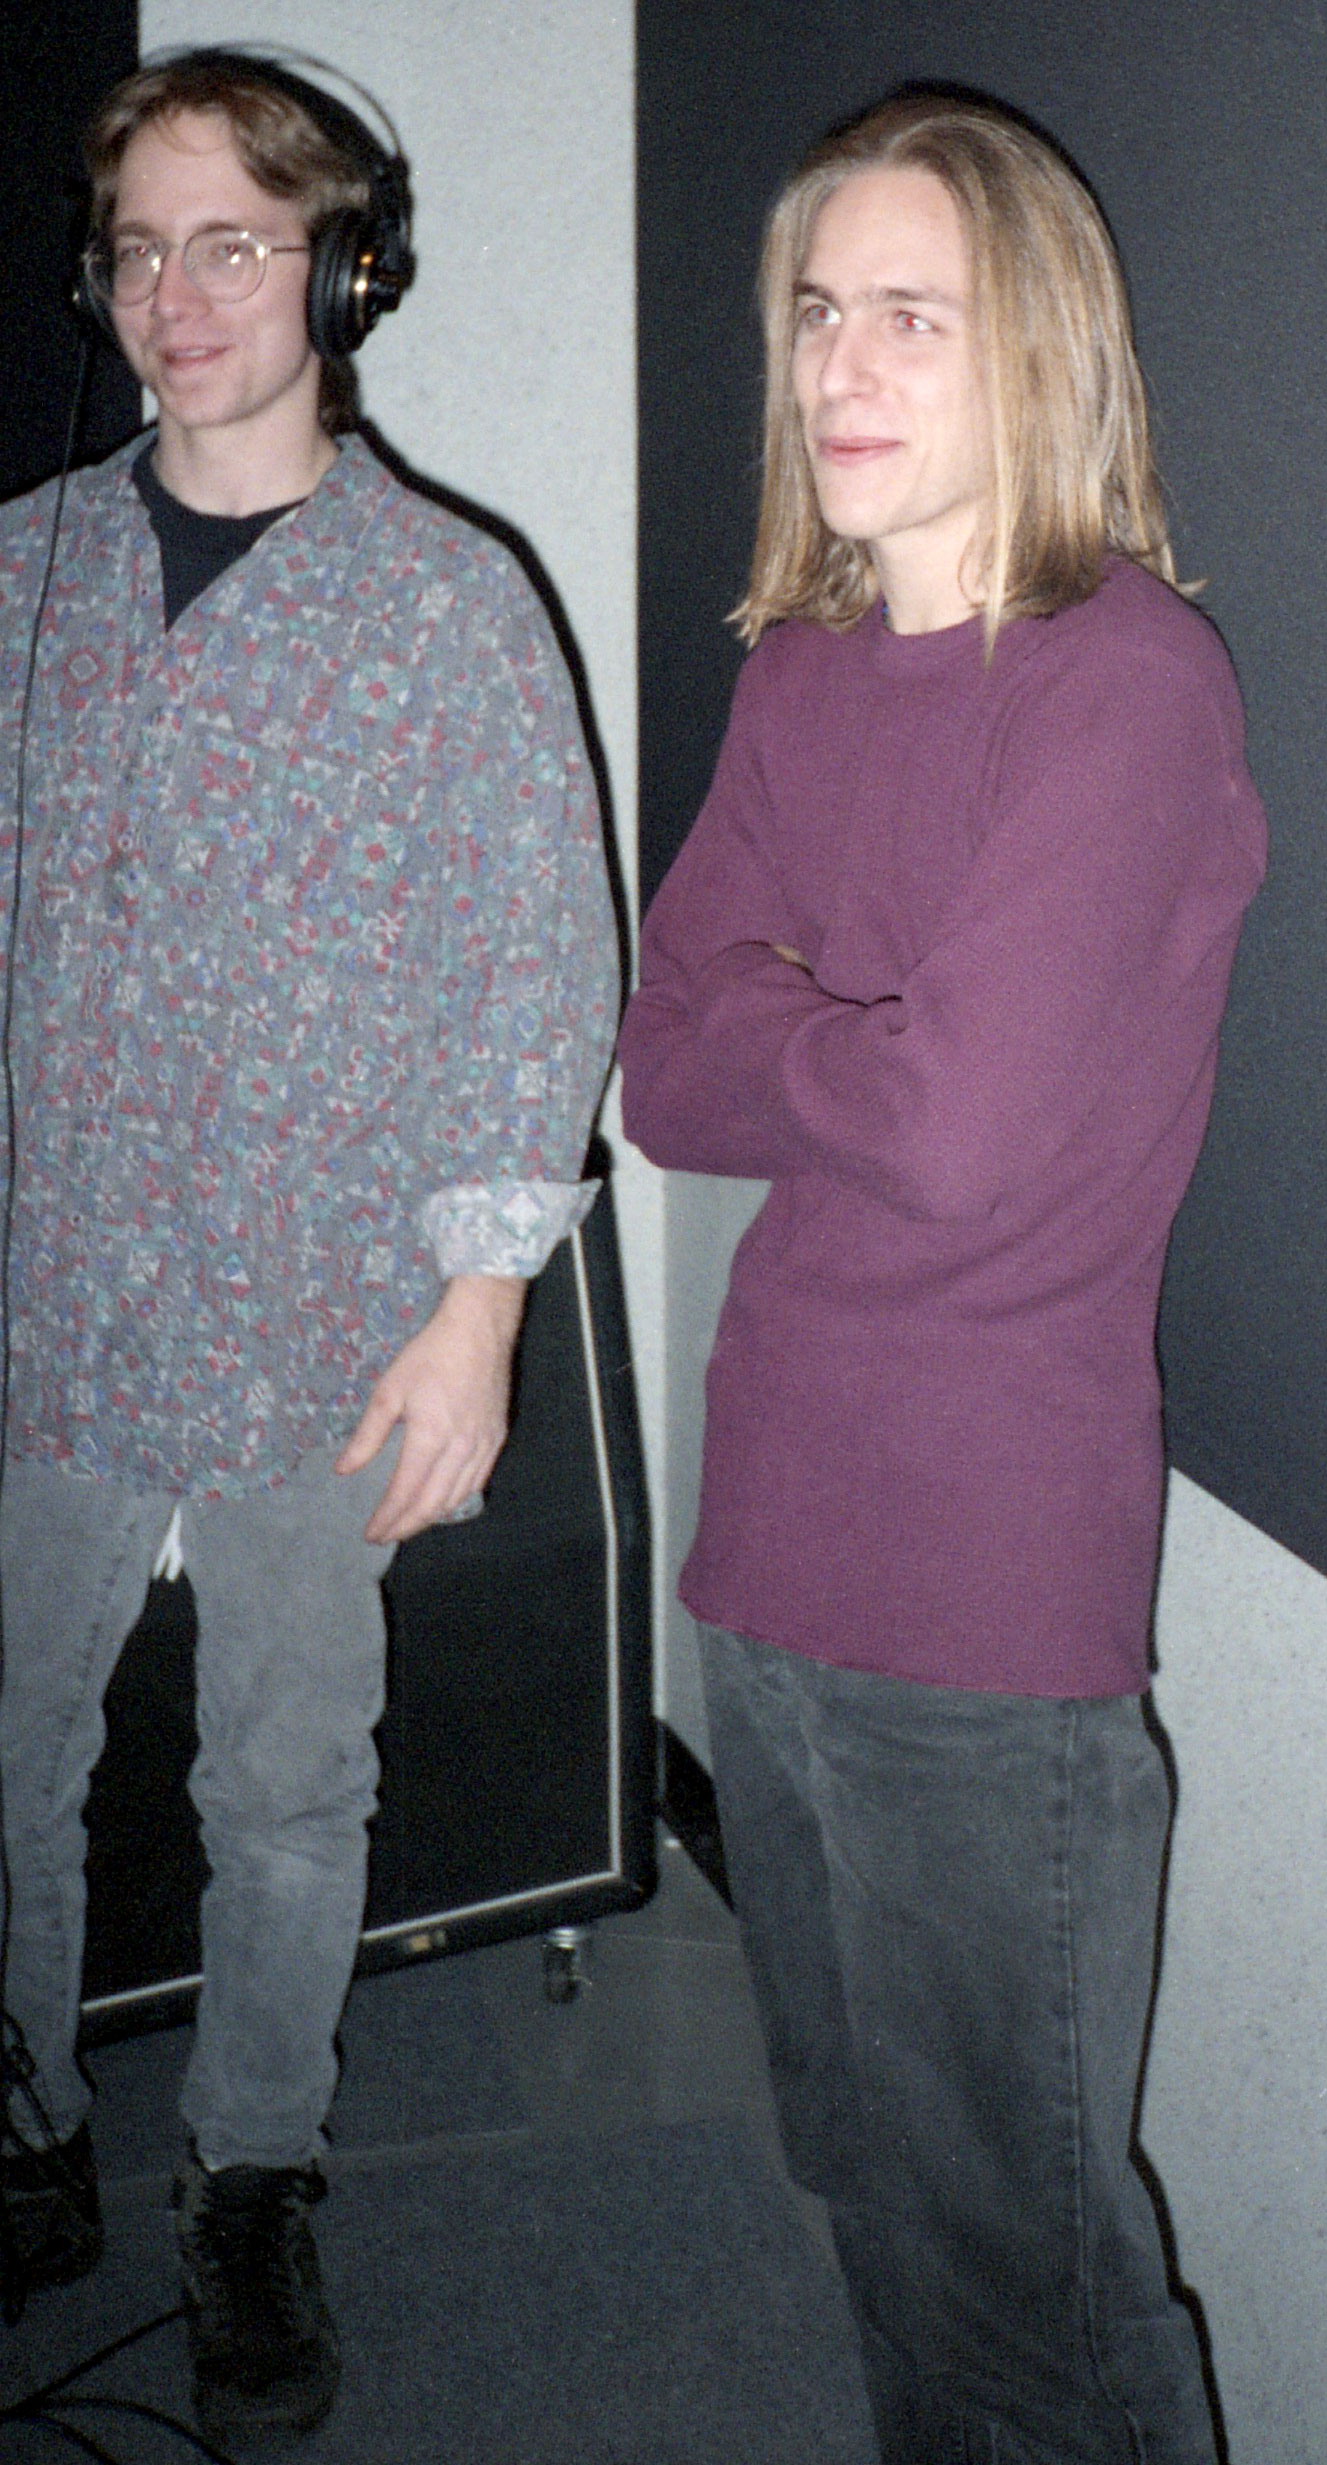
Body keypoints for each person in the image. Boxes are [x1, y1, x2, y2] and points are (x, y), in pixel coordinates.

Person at [619, 89, 1264, 2465]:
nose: (839, 365)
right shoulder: (799, 675)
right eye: (816, 313)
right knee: (863, 2193)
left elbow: (959, 1126)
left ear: (1040, 353)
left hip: (982, 1600)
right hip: (768, 1547)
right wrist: (847, 1044)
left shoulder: (1125, 684)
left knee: (1027, 2284)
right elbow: (653, 1065)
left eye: (915, 313)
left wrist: (791, 1031)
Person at [0, 45, 616, 2447]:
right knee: (5, 1748)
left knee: (284, 1781)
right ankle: (25, 2122)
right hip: (45, 1303)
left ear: (344, 270)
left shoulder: (453, 608)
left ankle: (251, 2178)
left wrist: (479, 1313)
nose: (179, 294)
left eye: (234, 243)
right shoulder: (20, 576)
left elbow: (534, 973)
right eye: (140, 249)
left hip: (310, 1317)